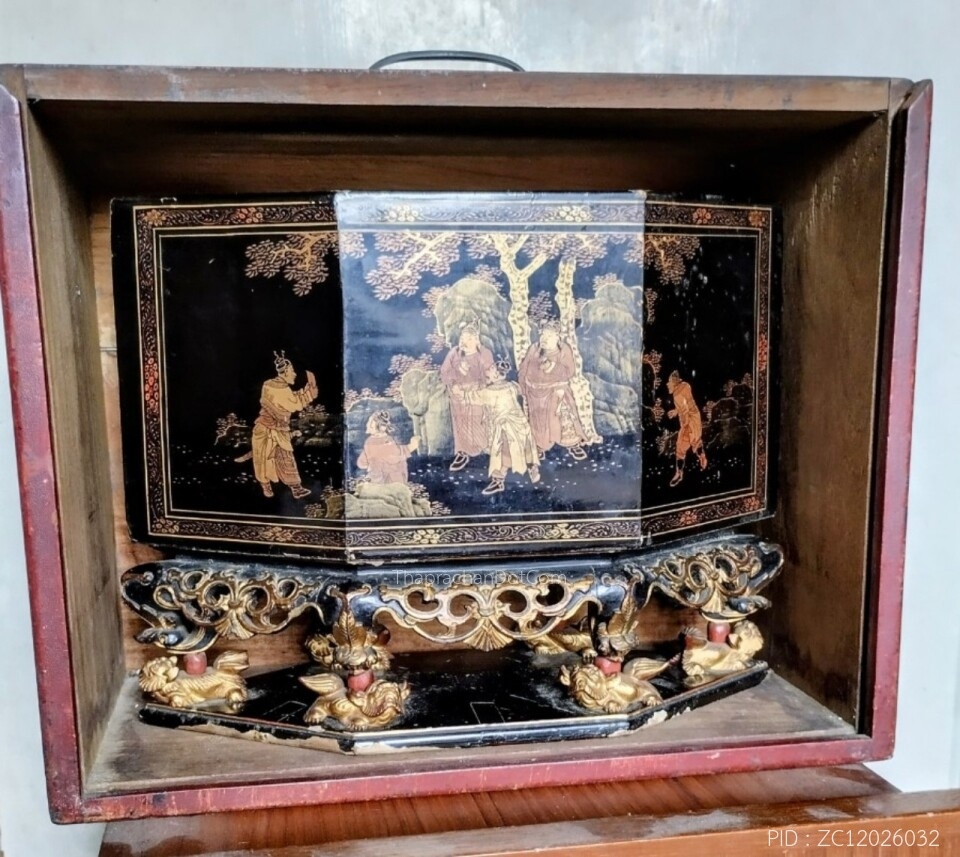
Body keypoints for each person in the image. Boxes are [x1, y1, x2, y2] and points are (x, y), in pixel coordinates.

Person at [460, 360, 540, 495]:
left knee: (502, 454)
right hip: (520, 424)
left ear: (496, 375)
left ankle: (498, 481)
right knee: (524, 448)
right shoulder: (512, 386)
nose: (487, 370)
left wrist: (461, 390)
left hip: (504, 428)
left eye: (490, 369)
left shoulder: (489, 392)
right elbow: (521, 392)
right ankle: (532, 468)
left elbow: (471, 397)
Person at [249, 351, 317, 499]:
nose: (294, 374)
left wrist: (306, 392)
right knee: (264, 459)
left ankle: (296, 488)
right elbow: (294, 404)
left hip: (279, 429)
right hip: (266, 428)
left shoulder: (271, 385)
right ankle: (266, 486)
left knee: (286, 458)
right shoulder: (278, 388)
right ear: (285, 372)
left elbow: (292, 398)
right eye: (292, 371)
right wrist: (309, 394)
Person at [518, 323, 588, 460]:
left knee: (564, 418)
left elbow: (570, 371)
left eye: (549, 335)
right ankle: (539, 446)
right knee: (538, 422)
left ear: (557, 337)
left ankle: (572, 444)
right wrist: (523, 388)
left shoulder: (563, 350)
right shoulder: (534, 349)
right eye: (543, 335)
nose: (544, 338)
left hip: (557, 391)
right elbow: (524, 368)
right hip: (535, 394)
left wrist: (552, 366)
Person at [439, 322, 494, 471]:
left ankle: (484, 448)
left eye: (469, 338)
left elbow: (489, 374)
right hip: (458, 396)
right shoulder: (454, 353)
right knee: (461, 424)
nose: (465, 342)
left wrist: (478, 386)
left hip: (477, 394)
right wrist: (456, 376)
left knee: (478, 421)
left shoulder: (484, 353)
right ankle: (462, 453)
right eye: (463, 338)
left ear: (477, 340)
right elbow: (444, 373)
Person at [666, 370, 708, 487]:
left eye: (669, 382)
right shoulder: (685, 386)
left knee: (681, 447)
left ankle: (679, 473)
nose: (667, 384)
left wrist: (682, 420)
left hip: (690, 422)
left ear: (674, 383)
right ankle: (702, 457)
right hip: (695, 419)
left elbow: (684, 408)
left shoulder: (677, 394)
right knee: (695, 441)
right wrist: (677, 412)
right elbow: (686, 404)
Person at [357, 411, 419, 485]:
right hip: (388, 478)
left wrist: (365, 464)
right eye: (371, 425)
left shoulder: (369, 441)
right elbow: (396, 454)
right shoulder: (386, 440)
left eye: (371, 425)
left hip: (375, 477)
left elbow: (362, 462)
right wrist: (411, 446)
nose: (368, 425)